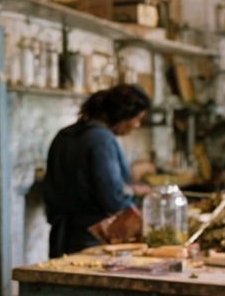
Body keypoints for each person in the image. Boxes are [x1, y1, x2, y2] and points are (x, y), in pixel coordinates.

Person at [43, 83, 151, 257]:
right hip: (93, 238)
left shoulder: (64, 135)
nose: (137, 125)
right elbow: (113, 198)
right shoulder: (102, 139)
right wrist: (132, 195)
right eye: (137, 118)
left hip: (60, 235)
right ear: (123, 115)